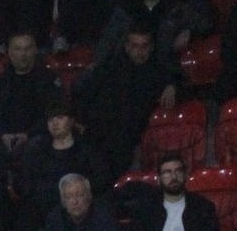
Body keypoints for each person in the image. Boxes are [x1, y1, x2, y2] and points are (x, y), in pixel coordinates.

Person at [73, 25, 175, 182]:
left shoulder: (158, 73)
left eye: (144, 46)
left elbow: (186, 86)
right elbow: (84, 91)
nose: (139, 51)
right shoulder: (109, 66)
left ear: (151, 47)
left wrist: (172, 86)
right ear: (127, 47)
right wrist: (80, 120)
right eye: (135, 46)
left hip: (125, 140)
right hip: (94, 131)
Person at [0, 32, 62, 166]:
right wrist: (2, 135)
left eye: (27, 49)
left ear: (35, 50)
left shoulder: (48, 80)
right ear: (9, 52)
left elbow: (55, 114)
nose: (23, 54)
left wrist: (28, 135)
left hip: (37, 137)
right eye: (17, 49)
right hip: (2, 138)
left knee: (37, 147)